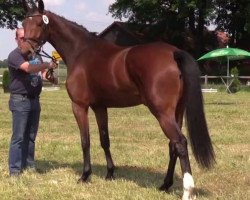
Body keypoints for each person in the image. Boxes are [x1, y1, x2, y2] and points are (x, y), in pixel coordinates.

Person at [7, 28, 57, 176]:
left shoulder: (36, 55)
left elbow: (42, 73)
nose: (24, 41)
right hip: (20, 100)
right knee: (18, 137)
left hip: (35, 100)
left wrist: (51, 76)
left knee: (31, 136)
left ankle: (29, 166)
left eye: (26, 38)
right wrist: (47, 65)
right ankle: (15, 171)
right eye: (21, 38)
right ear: (16, 39)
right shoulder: (14, 55)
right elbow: (28, 69)